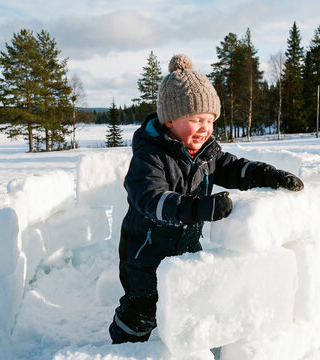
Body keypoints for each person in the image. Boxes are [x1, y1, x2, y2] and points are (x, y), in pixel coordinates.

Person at [109, 54, 304, 344]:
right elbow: (152, 200)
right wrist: (199, 208)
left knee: (189, 303)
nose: (204, 128)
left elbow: (234, 167)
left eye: (210, 120)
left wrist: (267, 174)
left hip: (187, 248)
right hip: (145, 254)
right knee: (143, 310)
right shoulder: (149, 157)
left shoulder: (205, 153)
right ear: (170, 120)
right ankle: (124, 347)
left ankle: (191, 348)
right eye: (196, 119)